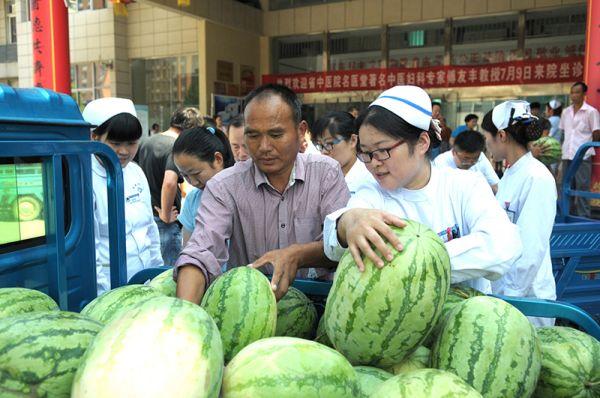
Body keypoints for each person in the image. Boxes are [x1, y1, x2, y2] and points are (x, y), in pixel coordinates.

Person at [323, 85, 521, 294]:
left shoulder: (465, 185)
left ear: (421, 143)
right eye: (365, 153)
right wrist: (348, 223)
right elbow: (334, 237)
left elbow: (503, 245)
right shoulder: (372, 193)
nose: (373, 163)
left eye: (381, 151)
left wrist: (416, 261)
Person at [174, 84, 350, 303]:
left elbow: (338, 241)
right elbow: (202, 250)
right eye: (254, 135)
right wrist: (182, 314)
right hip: (248, 307)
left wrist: (297, 255)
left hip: (319, 304)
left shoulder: (326, 173)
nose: (264, 146)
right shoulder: (224, 186)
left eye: (276, 134)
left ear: (300, 131)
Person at [482, 101, 557, 326]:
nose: (487, 145)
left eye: (487, 137)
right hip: (508, 294)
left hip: (527, 300)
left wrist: (511, 297)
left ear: (502, 136)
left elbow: (531, 246)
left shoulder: (537, 178)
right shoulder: (511, 174)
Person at [82, 98, 163, 294]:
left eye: (132, 143)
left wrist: (158, 273)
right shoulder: (85, 179)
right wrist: (103, 295)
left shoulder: (136, 172)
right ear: (94, 137)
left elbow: (149, 228)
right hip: (110, 286)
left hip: (145, 280)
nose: (124, 151)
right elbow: (91, 251)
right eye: (115, 143)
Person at [135, 107, 202, 266]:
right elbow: (170, 181)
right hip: (165, 221)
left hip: (148, 217)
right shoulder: (176, 146)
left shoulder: (147, 141)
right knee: (168, 274)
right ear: (190, 128)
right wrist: (165, 213)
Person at [173, 126, 235, 246]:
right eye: (185, 176)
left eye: (196, 173)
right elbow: (188, 247)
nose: (193, 182)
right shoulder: (193, 199)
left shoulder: (243, 194)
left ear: (218, 159)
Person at [559, 81, 600, 218]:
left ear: (584, 94)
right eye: (572, 92)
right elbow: (563, 133)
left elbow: (596, 133)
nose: (574, 95)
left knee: (582, 187)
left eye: (577, 92)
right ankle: (567, 216)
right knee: (566, 186)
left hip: (583, 156)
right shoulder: (566, 112)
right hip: (567, 155)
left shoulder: (591, 112)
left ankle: (584, 218)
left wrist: (588, 147)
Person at [312, 111, 374, 195]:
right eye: (320, 145)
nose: (324, 151)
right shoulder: (319, 177)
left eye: (329, 144)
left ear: (353, 140)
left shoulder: (370, 178)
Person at [433, 130, 499, 194]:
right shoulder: (440, 163)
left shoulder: (481, 158)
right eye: (466, 158)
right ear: (454, 152)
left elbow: (496, 186)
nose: (470, 163)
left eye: (475, 159)